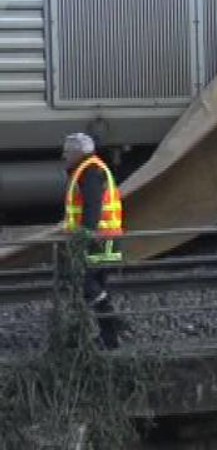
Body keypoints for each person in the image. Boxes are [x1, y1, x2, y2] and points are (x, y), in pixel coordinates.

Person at [59, 132, 124, 349]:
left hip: (98, 239)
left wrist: (86, 234)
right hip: (103, 238)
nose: (64, 156)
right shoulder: (90, 169)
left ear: (79, 153)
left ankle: (111, 325)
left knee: (86, 283)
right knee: (93, 284)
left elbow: (92, 207)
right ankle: (108, 336)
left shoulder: (90, 172)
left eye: (68, 152)